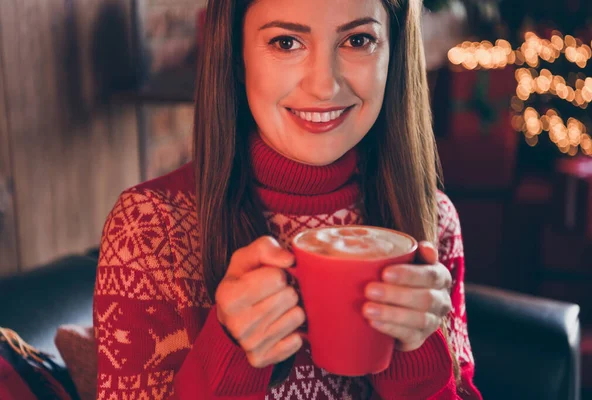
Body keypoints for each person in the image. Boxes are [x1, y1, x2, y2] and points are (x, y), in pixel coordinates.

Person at [93, 0, 482, 398]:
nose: (324, 85)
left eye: (358, 39)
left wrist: (416, 357)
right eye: (285, 42)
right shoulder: (148, 228)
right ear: (237, 57)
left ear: (394, 52)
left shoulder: (432, 220)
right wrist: (228, 357)